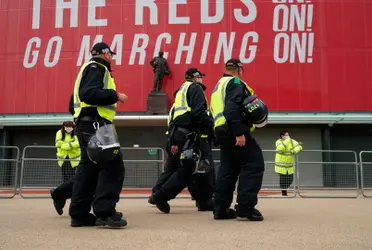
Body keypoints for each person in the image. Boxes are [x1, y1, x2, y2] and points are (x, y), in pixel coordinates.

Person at [69, 42, 128, 228]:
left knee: (88, 169)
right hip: (97, 123)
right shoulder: (98, 68)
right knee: (113, 165)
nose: (112, 57)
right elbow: (89, 94)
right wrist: (115, 95)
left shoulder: (85, 70)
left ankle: (79, 214)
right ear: (104, 53)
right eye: (110, 53)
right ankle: (105, 212)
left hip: (85, 122)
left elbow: (73, 104)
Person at [149, 68, 215, 213]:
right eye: (200, 77)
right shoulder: (195, 88)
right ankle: (161, 195)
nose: (202, 79)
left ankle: (203, 201)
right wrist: (211, 124)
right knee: (189, 169)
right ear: (196, 77)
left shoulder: (180, 93)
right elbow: (199, 112)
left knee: (179, 168)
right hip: (190, 134)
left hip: (177, 134)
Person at [210, 58, 266, 221]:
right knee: (254, 164)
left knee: (228, 169)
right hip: (233, 130)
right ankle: (245, 207)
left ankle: (220, 208)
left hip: (222, 131)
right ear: (240, 70)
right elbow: (232, 108)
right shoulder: (235, 82)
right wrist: (239, 132)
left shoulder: (218, 85)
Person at [275, 131, 303, 196]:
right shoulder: (278, 142)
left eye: (288, 135)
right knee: (283, 179)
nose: (288, 136)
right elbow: (279, 149)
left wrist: (295, 150)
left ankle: (285, 189)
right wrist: (286, 141)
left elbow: (299, 146)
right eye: (286, 135)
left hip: (289, 165)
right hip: (281, 165)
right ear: (282, 136)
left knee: (290, 179)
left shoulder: (292, 141)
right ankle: (284, 193)